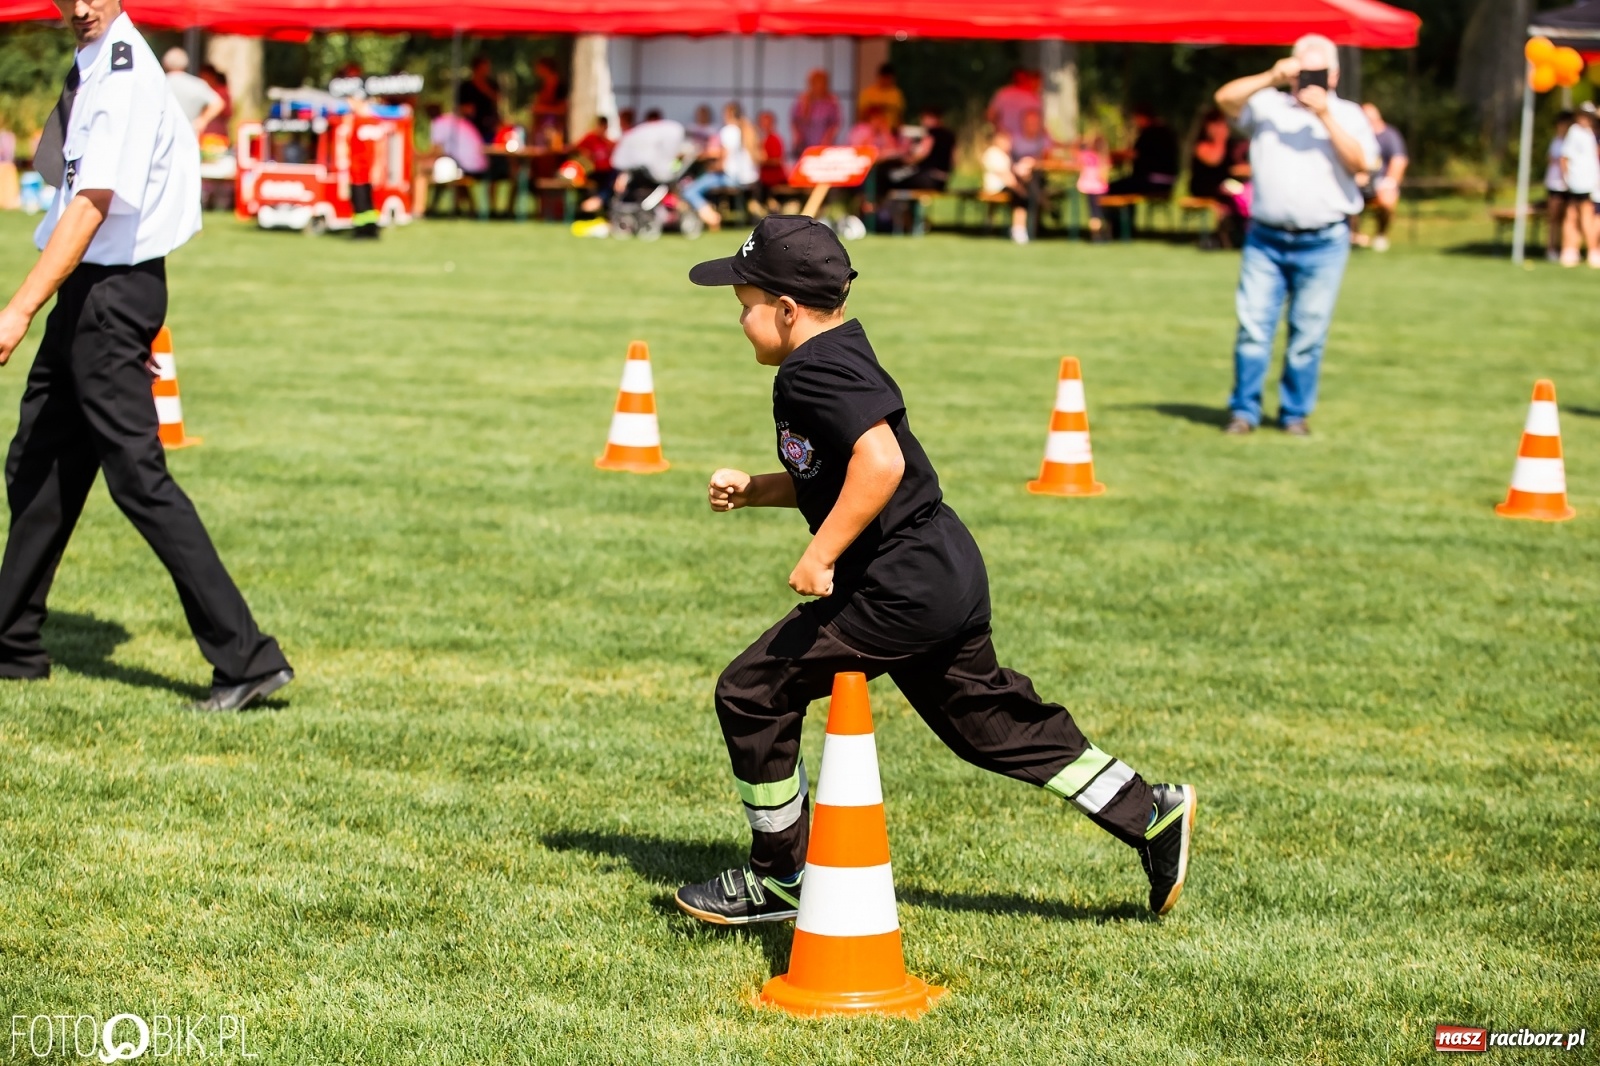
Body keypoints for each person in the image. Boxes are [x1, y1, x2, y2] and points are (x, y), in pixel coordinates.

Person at [672, 215, 1198, 925]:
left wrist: (821, 553)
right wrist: (757, 489)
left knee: (752, 692)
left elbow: (881, 464)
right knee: (989, 725)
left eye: (745, 307)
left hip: (897, 588)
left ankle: (780, 878)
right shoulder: (840, 351)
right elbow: (837, 471)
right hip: (941, 568)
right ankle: (1149, 812)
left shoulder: (809, 372)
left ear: (787, 310)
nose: (739, 322)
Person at [0, 0, 292, 710]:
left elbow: (91, 205)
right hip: (95, 295)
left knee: (139, 480)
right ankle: (12, 644)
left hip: (107, 294)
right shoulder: (97, 60)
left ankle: (247, 659)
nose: (79, 6)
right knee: (38, 462)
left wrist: (19, 309)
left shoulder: (125, 74)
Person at [1213, 35, 1380, 437]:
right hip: (1266, 240)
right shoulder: (1268, 105)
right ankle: (1244, 411)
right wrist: (1271, 76)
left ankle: (1294, 414)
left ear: (1334, 75)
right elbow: (1224, 100)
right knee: (1253, 330)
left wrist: (1324, 116)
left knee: (1308, 334)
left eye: (1317, 72)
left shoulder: (1348, 114)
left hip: (1323, 242)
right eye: (1303, 70)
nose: (1308, 79)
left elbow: (1362, 164)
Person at [681, 102, 759, 231]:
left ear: (728, 114)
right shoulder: (749, 130)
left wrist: (709, 167)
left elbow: (723, 162)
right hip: (749, 179)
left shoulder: (729, 131)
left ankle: (712, 218)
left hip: (731, 179)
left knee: (690, 190)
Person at [1188, 110, 1248, 249]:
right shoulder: (1202, 145)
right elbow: (1215, 160)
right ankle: (1222, 237)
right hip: (1205, 186)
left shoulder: (1231, 145)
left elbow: (1236, 166)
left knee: (1243, 195)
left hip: (1225, 186)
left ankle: (1238, 235)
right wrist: (1220, 139)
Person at [1352, 102, 1407, 252]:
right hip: (1356, 181)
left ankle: (1381, 235)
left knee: (1387, 201)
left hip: (1380, 181)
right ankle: (1354, 235)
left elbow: (1399, 160)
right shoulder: (1355, 134)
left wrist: (1390, 183)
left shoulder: (1390, 135)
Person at [1108, 105, 1179, 199]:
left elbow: (1133, 154)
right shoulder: (1167, 131)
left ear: (1142, 117)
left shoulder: (1149, 133)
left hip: (1150, 180)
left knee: (1109, 189)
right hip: (1169, 182)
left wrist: (1111, 156)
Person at [1559, 105, 1598, 268]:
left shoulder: (1588, 132)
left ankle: (1573, 250)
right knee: (1580, 215)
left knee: (1575, 215)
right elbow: (1564, 158)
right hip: (1578, 182)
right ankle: (1587, 251)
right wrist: (1567, 179)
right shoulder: (1575, 132)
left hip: (1586, 182)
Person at [980, 129, 1030, 244]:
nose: (1010, 144)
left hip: (1001, 187)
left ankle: (1018, 228)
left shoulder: (1004, 155)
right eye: (1007, 141)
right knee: (1021, 197)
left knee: (1023, 194)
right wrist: (1018, 188)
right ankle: (1019, 229)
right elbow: (1006, 176)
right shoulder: (994, 154)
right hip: (996, 188)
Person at [160, 47, 222, 138]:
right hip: (189, 134)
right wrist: (202, 120)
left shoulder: (159, 83)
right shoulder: (197, 84)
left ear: (165, 63)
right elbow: (218, 103)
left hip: (163, 134)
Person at [887, 108, 955, 192]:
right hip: (943, 180)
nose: (922, 122)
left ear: (931, 118)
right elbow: (954, 160)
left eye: (923, 119)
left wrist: (902, 159)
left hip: (927, 177)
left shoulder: (931, 134)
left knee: (891, 178)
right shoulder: (950, 135)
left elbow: (921, 155)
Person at [1545, 111, 1574, 263]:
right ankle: (1551, 248)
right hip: (1555, 185)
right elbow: (1551, 159)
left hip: (1571, 186)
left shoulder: (1573, 142)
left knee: (1569, 219)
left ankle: (1567, 249)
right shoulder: (1556, 141)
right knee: (1554, 218)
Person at [790, 70, 840, 153]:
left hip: (824, 144)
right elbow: (794, 121)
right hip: (804, 144)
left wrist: (828, 137)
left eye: (822, 82)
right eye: (815, 83)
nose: (819, 86)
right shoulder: (803, 100)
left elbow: (836, 123)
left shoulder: (831, 102)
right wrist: (797, 137)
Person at [987, 68, 1041, 142]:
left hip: (1005, 140)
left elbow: (990, 116)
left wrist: (998, 129)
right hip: (1026, 142)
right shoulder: (1034, 98)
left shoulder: (1003, 93)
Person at [1075, 129, 1110, 240]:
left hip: (1087, 187)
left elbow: (1077, 161)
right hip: (1099, 188)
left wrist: (1081, 141)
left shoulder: (1086, 155)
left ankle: (1095, 234)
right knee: (1098, 213)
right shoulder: (1103, 158)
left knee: (1093, 212)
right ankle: (1098, 235)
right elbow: (1104, 176)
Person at [530, 56, 567, 149]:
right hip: (540, 129)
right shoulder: (541, 85)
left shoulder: (559, 86)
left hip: (553, 128)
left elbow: (562, 109)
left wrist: (542, 109)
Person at [856, 63, 905, 131]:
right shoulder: (867, 93)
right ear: (879, 77)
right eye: (885, 78)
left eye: (889, 79)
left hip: (891, 130)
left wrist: (900, 129)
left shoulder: (896, 94)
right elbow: (861, 114)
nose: (887, 81)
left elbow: (900, 115)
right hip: (871, 131)